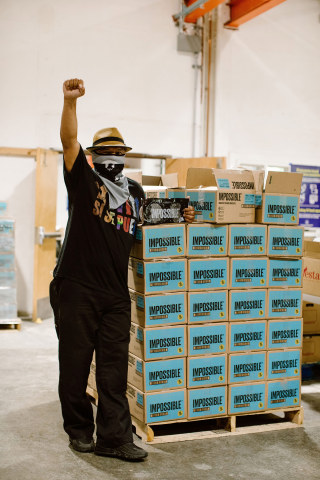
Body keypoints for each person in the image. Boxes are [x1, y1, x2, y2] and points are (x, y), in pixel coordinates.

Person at [49, 78, 195, 462]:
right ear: (94, 156)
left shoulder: (135, 192)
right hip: (76, 287)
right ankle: (79, 430)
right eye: (105, 152)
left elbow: (143, 225)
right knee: (75, 366)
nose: (112, 157)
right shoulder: (83, 180)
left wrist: (182, 215)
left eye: (118, 151)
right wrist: (70, 102)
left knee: (113, 371)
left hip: (115, 293)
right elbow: (68, 142)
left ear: (126, 156)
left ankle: (114, 438)